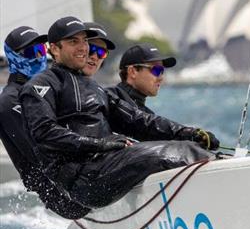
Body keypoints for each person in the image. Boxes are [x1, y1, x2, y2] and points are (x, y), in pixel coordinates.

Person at [20, 16, 218, 212]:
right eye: (73, 42)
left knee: (185, 146)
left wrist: (189, 133)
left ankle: (217, 167)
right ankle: (218, 175)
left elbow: (141, 121)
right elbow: (45, 133)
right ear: (54, 49)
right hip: (82, 180)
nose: (83, 48)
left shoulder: (96, 88)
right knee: (171, 155)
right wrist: (101, 144)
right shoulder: (40, 85)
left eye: (84, 41)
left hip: (104, 166)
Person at [0, 25, 90, 218]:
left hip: (77, 178)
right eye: (32, 51)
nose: (39, 56)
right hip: (63, 194)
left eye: (42, 49)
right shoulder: (9, 101)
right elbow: (40, 150)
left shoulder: (43, 88)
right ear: (13, 57)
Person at [106, 43, 220, 150]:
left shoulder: (147, 113)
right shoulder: (109, 98)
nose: (161, 77)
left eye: (162, 71)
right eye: (156, 70)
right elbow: (142, 122)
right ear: (133, 71)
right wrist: (190, 134)